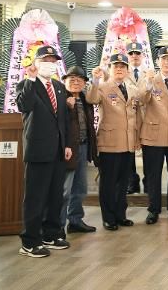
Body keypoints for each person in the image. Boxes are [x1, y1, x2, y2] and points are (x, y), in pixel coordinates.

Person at [16, 45, 72, 257]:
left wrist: (66, 145)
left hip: (58, 150)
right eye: (46, 60)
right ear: (36, 63)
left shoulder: (58, 86)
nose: (50, 64)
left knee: (55, 195)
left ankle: (51, 234)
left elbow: (63, 119)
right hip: (38, 150)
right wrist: (30, 78)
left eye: (53, 60)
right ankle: (30, 241)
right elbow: (24, 105)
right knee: (35, 197)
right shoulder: (26, 84)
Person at [87, 53, 141, 231]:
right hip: (109, 142)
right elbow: (91, 99)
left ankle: (120, 215)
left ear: (127, 70)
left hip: (128, 142)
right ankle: (108, 217)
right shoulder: (102, 87)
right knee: (108, 182)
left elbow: (135, 115)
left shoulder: (131, 88)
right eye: (115, 66)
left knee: (123, 182)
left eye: (122, 67)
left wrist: (137, 138)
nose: (119, 69)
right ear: (109, 69)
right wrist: (95, 80)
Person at [139, 46, 168, 224]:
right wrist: (148, 83)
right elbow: (141, 99)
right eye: (164, 59)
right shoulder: (149, 78)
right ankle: (153, 209)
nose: (167, 62)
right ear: (158, 61)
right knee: (153, 174)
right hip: (154, 134)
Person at [60, 66, 97, 235]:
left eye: (79, 79)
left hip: (83, 146)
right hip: (67, 149)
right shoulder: (60, 98)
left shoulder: (85, 98)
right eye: (72, 79)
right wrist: (66, 107)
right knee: (64, 190)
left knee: (80, 188)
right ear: (65, 81)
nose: (76, 82)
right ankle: (58, 226)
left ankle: (75, 220)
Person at [125, 42, 146, 194]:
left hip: (147, 117)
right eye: (131, 53)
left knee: (149, 153)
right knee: (129, 152)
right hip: (129, 117)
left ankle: (148, 181)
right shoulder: (122, 72)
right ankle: (132, 182)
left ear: (142, 55)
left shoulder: (151, 73)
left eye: (137, 53)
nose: (134, 56)